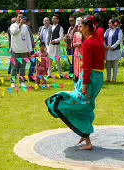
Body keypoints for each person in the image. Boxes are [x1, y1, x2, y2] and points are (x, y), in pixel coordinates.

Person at [45, 15, 105, 150]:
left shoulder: (88, 44)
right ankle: (85, 135)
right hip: (99, 77)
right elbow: (100, 30)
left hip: (90, 78)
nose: (79, 28)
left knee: (79, 105)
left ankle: (87, 138)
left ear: (87, 27)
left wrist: (84, 86)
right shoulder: (98, 39)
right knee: (87, 105)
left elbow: (88, 68)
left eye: (81, 26)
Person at [10, 12, 32, 88]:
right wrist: (20, 25)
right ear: (16, 17)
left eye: (22, 17)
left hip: (24, 50)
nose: (20, 18)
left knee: (23, 67)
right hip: (15, 49)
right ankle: (13, 82)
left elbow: (28, 39)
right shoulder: (13, 26)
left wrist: (29, 50)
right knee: (14, 67)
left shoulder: (25, 27)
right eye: (19, 17)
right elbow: (14, 33)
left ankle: (22, 81)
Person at [104, 18, 123, 82]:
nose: (108, 24)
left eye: (109, 23)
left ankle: (114, 78)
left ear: (113, 24)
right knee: (108, 64)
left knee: (115, 65)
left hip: (115, 50)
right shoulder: (107, 30)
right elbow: (103, 39)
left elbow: (119, 40)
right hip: (108, 50)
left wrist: (113, 46)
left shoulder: (119, 31)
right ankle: (108, 77)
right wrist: (105, 46)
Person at [46, 14, 64, 78]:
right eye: (52, 18)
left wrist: (56, 40)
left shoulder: (60, 27)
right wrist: (47, 44)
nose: (53, 20)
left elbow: (61, 37)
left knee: (57, 60)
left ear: (58, 20)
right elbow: (48, 36)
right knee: (49, 60)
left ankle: (60, 74)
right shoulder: (50, 27)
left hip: (56, 46)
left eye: (54, 18)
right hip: (50, 45)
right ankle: (49, 74)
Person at [25, 17, 36, 82]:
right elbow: (29, 39)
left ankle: (24, 77)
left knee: (23, 62)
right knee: (33, 62)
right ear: (28, 22)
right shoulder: (27, 28)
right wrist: (31, 46)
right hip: (29, 48)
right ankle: (30, 76)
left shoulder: (23, 28)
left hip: (26, 48)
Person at [73, 17, 83, 83]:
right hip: (76, 52)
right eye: (78, 27)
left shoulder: (84, 34)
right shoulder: (75, 34)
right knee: (76, 64)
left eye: (80, 27)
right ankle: (76, 76)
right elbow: (73, 43)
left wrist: (81, 44)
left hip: (82, 52)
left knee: (81, 65)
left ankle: (81, 77)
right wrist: (77, 45)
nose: (79, 28)